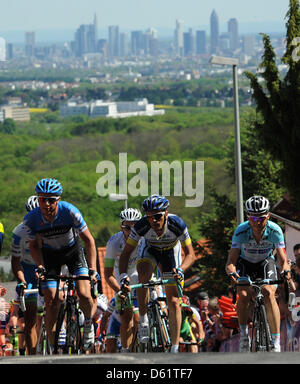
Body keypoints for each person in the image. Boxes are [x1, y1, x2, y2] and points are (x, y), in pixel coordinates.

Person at [23, 178, 98, 351]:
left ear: (58, 200)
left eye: (51, 200)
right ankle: (52, 342)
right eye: (42, 199)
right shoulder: (32, 218)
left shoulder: (70, 211)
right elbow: (33, 245)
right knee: (51, 299)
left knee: (85, 293)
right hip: (51, 256)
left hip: (73, 252)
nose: (46, 204)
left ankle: (87, 324)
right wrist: (40, 265)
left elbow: (89, 241)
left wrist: (92, 269)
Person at [119, 194, 196, 353]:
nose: (153, 220)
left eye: (158, 216)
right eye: (149, 217)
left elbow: (190, 254)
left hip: (170, 253)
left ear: (166, 214)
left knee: (174, 300)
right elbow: (126, 253)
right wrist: (122, 276)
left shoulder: (177, 224)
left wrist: (180, 269)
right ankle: (144, 319)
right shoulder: (141, 226)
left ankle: (174, 347)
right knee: (143, 277)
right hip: (150, 250)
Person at [225, 195, 292, 352]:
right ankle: (243, 336)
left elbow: (282, 259)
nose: (257, 222)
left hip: (265, 263)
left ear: (268, 215)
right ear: (248, 216)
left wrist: (286, 270)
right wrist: (231, 273)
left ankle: (276, 342)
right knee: (243, 294)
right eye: (253, 218)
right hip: (245, 264)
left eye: (261, 218)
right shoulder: (241, 231)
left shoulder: (275, 230)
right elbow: (231, 260)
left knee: (269, 293)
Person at [104, 208, 142, 352]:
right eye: (127, 227)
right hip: (121, 280)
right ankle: (127, 352)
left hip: (139, 276)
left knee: (140, 317)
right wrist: (120, 289)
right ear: (122, 227)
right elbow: (108, 274)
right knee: (127, 318)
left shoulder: (144, 239)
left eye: (135, 226)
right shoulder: (114, 243)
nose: (131, 230)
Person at [11, 195, 40, 354]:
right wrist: (22, 281)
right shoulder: (19, 232)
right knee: (30, 321)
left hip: (47, 266)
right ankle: (34, 355)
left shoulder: (49, 227)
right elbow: (15, 263)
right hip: (27, 271)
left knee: (56, 301)